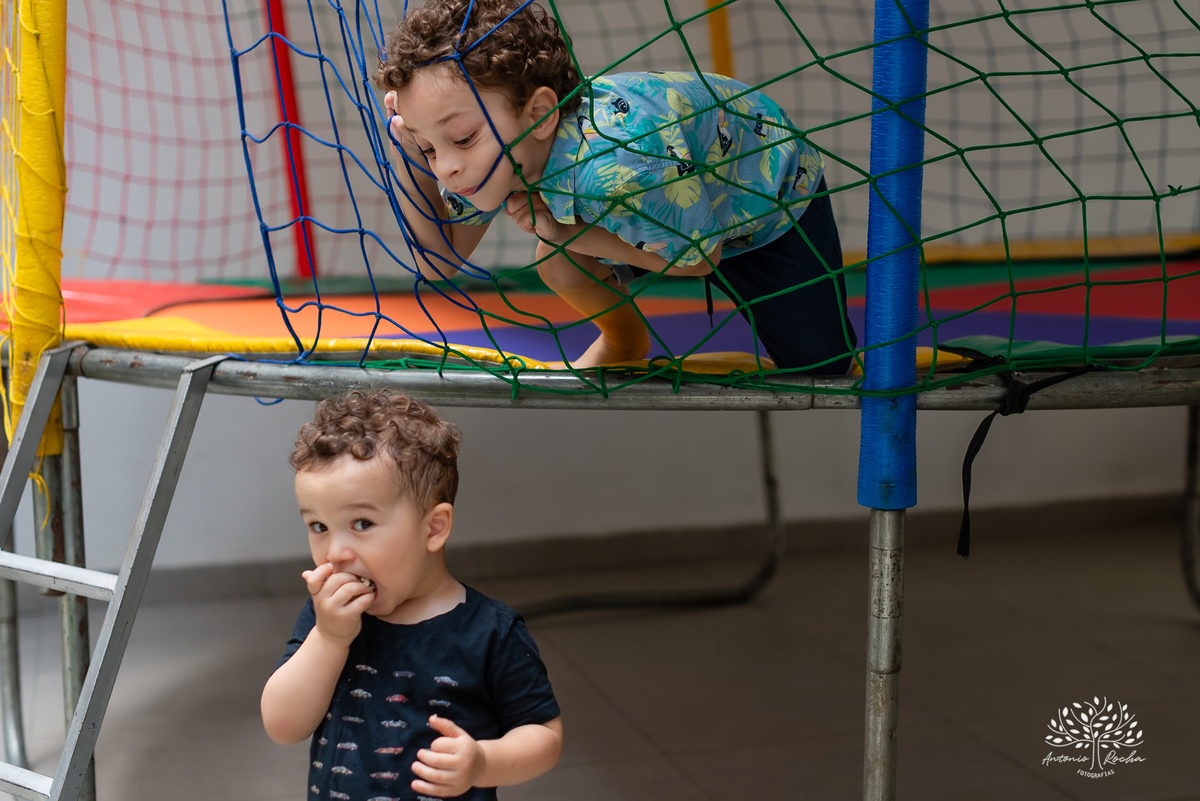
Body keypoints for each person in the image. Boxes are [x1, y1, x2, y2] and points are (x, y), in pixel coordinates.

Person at [374, 0, 858, 373]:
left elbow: (700, 258)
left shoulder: (617, 164)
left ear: (539, 115)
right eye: (432, 148)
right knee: (559, 267)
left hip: (765, 200)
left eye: (459, 139)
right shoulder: (481, 154)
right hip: (664, 205)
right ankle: (625, 339)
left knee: (823, 368)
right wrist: (409, 151)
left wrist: (564, 233)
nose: (448, 169)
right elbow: (437, 262)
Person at [261, 388, 563, 800]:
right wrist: (329, 638)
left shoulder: (491, 631)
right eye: (318, 526)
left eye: (362, 523)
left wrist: (482, 762)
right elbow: (283, 725)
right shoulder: (327, 619)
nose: (335, 552)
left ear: (434, 528)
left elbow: (543, 735)